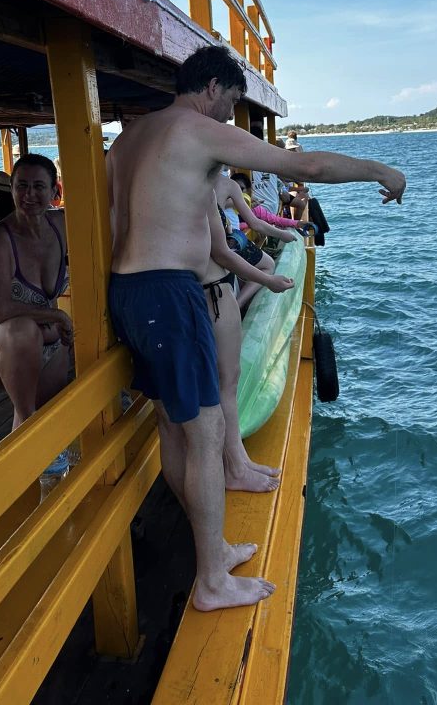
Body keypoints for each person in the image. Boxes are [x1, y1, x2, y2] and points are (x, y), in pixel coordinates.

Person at [106, 45, 405, 612]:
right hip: (169, 294)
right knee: (207, 433)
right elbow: (305, 169)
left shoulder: (129, 139)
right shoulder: (198, 129)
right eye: (231, 102)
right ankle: (211, 582)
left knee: (173, 426)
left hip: (129, 293)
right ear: (213, 88)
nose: (230, 116)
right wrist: (380, 170)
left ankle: (213, 550)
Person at [0, 154, 71, 430]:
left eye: (39, 186)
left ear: (54, 191)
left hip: (49, 338)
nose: (29, 194)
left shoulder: (61, 225)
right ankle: (25, 427)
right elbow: (0, 310)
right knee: (29, 421)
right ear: (11, 190)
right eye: (22, 186)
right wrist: (58, 316)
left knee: (51, 421)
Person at [203, 191, 293, 492]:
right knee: (224, 382)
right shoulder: (201, 185)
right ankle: (234, 466)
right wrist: (268, 280)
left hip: (212, 289)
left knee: (227, 379)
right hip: (212, 291)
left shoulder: (201, 185)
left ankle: (237, 459)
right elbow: (222, 250)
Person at [213, 168, 296, 312]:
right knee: (268, 265)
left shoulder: (192, 183)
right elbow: (255, 223)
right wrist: (282, 234)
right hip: (226, 243)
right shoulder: (228, 185)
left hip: (202, 246)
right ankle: (238, 305)